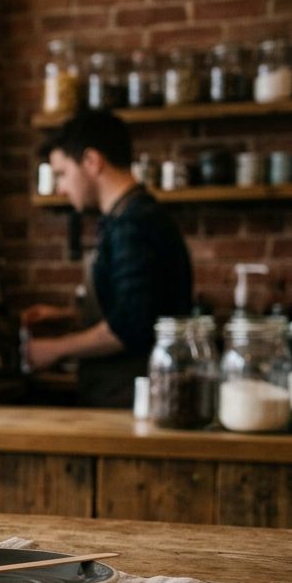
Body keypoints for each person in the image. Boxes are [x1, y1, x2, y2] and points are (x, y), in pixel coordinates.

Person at [25, 110, 193, 408]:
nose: (60, 188)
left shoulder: (132, 224)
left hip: (131, 398)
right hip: (123, 395)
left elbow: (130, 326)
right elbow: (140, 307)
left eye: (63, 173)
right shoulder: (127, 218)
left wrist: (53, 349)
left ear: (92, 161)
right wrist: (67, 316)